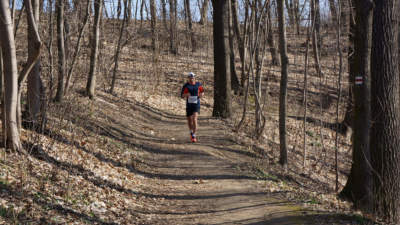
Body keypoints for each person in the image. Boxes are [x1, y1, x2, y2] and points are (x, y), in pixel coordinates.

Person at [181, 72, 204, 142]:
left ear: (195, 78)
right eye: (190, 78)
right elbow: (182, 95)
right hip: (189, 104)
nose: (191, 79)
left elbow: (202, 92)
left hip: (196, 104)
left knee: (194, 118)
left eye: (193, 78)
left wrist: (201, 95)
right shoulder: (186, 86)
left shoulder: (198, 85)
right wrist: (186, 94)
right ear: (188, 78)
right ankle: (191, 131)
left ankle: (194, 135)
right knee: (189, 120)